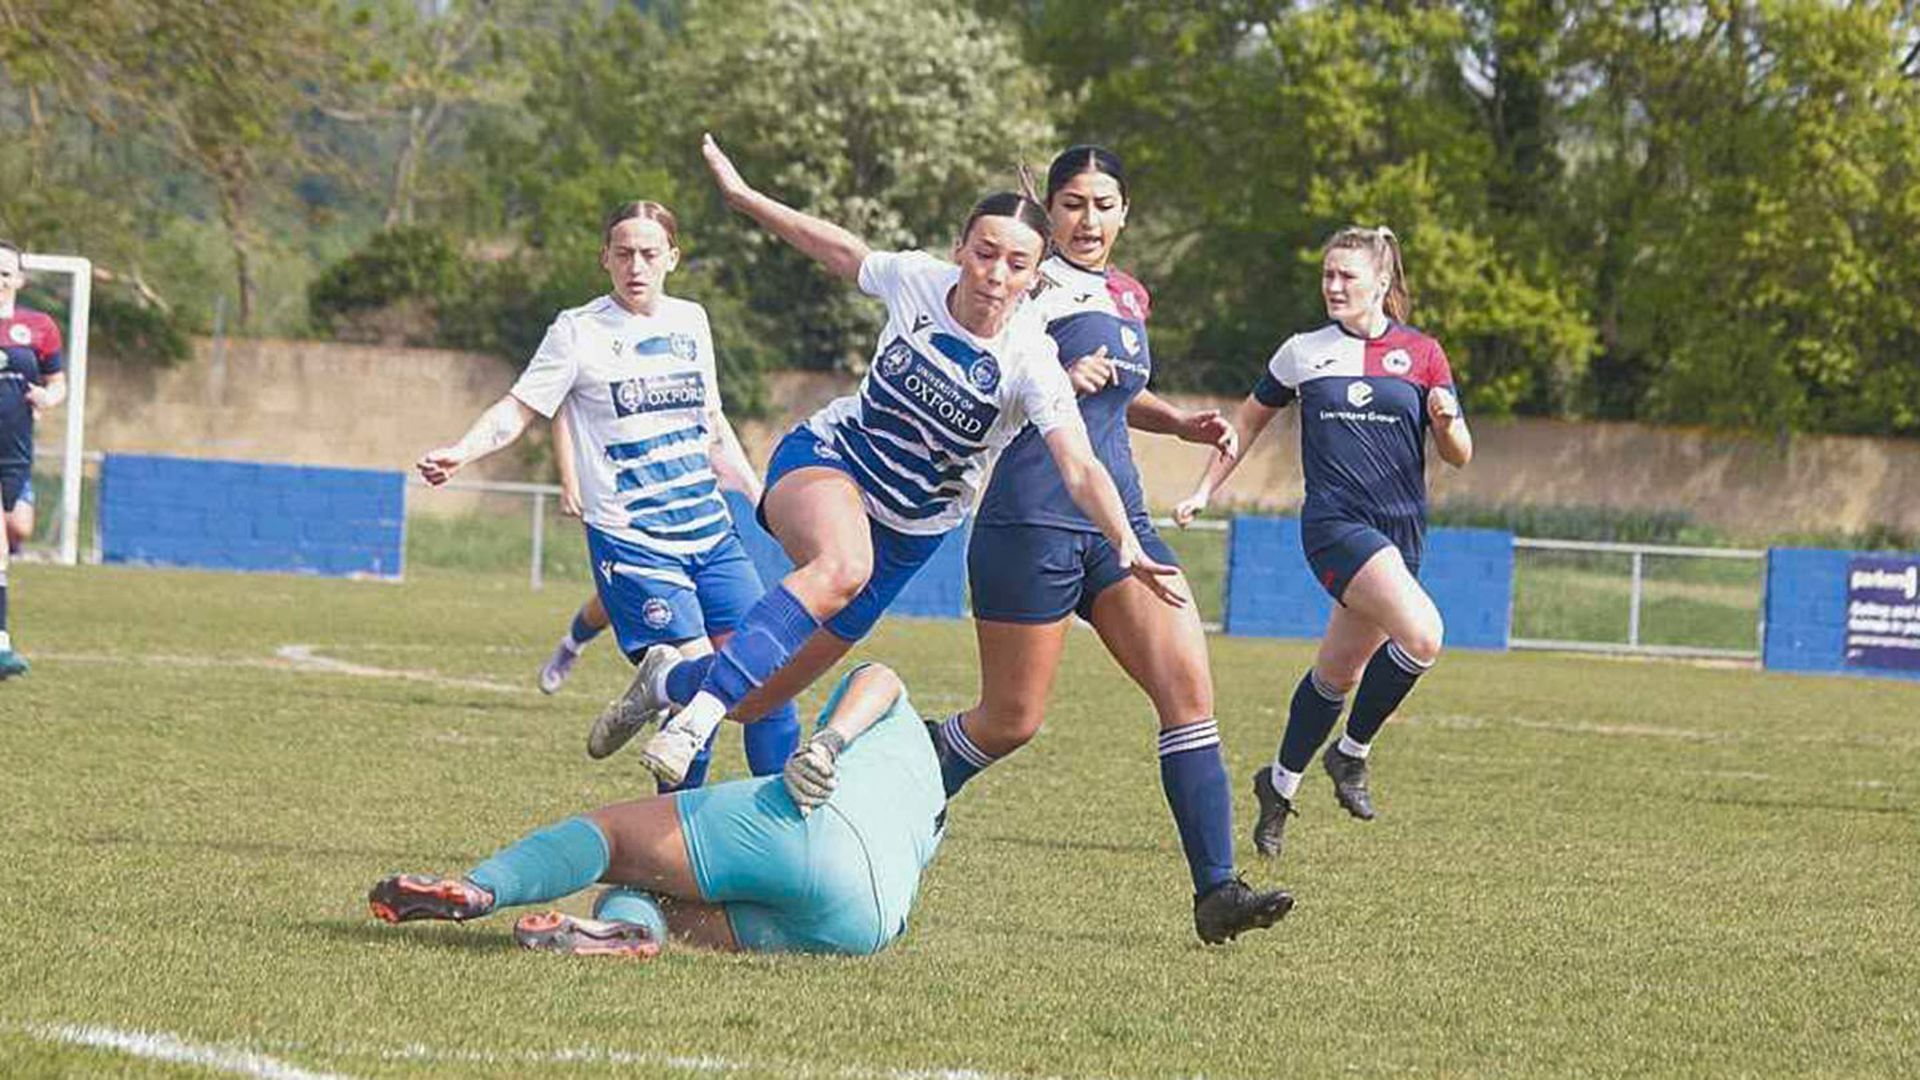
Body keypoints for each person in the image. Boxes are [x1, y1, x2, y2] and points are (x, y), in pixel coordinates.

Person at [600, 135, 1184, 788]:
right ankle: (692, 722)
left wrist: (1125, 539)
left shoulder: (1032, 362)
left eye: (1016, 264)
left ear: (1034, 275)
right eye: (984, 253)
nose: (995, 274)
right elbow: (840, 250)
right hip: (830, 462)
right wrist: (747, 198)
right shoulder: (918, 281)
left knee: (756, 700)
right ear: (960, 249)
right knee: (841, 565)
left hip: (907, 536)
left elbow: (1078, 465)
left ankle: (668, 681)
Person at [932, 145, 1289, 944]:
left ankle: (1218, 891)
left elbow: (1119, 393)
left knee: (1188, 695)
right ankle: (906, 777)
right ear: (1049, 211)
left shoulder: (1129, 294)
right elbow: (983, 374)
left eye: (1103, 204)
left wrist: (1177, 421)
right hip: (1032, 520)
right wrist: (1057, 372)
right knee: (1010, 720)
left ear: (1126, 212)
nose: (1087, 220)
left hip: (1120, 525)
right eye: (1071, 204)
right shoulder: (1023, 285)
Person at [416, 201, 799, 790]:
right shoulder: (577, 331)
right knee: (700, 689)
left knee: (770, 678)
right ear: (605, 260)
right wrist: (463, 450)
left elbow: (712, 424)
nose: (636, 266)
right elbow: (519, 407)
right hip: (635, 539)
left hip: (710, 532)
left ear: (673, 258)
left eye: (648, 253)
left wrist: (756, 493)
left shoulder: (692, 321)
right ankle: (675, 830)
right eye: (623, 254)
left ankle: (783, 824)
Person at [1174, 225, 1473, 858]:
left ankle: (1278, 786)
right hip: (1335, 527)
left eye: (1346, 276)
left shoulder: (1423, 354)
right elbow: (1245, 424)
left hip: (1401, 533)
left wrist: (1447, 423)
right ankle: (1351, 752)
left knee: (1338, 674)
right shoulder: (1302, 352)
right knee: (1423, 635)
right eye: (1327, 275)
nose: (1333, 286)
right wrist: (1202, 490)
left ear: (1381, 282)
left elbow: (1459, 454)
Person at [369, 662, 953, 957]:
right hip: (865, 926)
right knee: (659, 901)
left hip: (814, 826)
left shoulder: (903, 726)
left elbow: (880, 676)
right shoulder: (935, 809)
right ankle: (623, 932)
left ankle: (481, 889)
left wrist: (829, 741)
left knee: (613, 840)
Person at [0, 241, 67, 680]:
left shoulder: (39, 327)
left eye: (6, 271)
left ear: (20, 279)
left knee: (19, 529)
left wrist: (48, 397)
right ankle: (1, 643)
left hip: (16, 451)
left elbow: (58, 382)